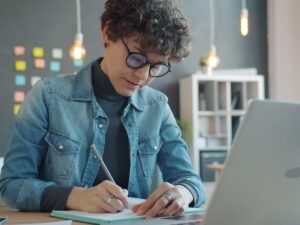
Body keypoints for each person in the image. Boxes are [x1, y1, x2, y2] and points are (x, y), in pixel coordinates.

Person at [0, 0, 206, 217]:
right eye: (136, 58)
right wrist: (73, 197)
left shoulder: (158, 107)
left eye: (155, 67)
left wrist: (183, 193)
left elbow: (191, 181)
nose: (143, 76)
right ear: (108, 33)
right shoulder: (48, 96)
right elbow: (11, 184)